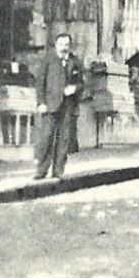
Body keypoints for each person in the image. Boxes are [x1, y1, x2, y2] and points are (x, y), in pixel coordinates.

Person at [33, 32, 82, 180]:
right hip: (50, 104)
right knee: (46, 138)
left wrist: (75, 88)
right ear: (55, 45)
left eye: (66, 45)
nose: (64, 48)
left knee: (64, 139)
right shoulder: (47, 60)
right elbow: (40, 82)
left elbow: (81, 82)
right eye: (61, 44)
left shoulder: (75, 61)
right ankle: (41, 171)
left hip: (67, 106)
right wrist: (41, 102)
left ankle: (58, 171)